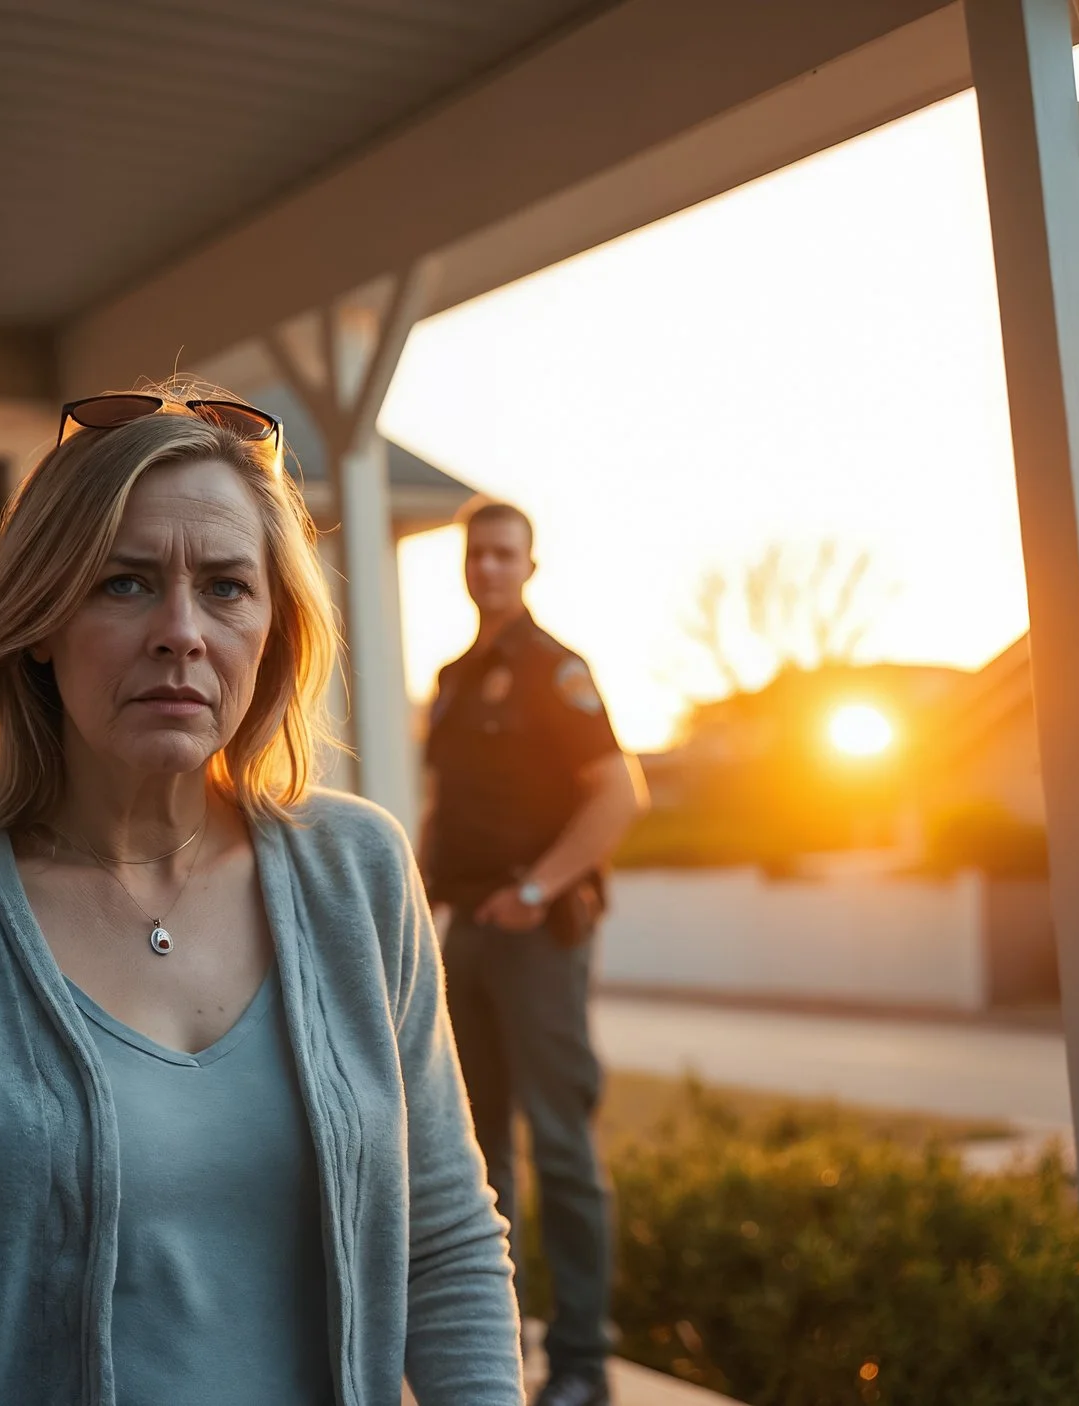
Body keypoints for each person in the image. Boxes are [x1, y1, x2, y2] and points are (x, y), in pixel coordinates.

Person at [0, 387, 523, 1406]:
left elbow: (448, 1241)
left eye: (225, 587)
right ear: (38, 619)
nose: (181, 631)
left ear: (273, 628)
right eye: (123, 582)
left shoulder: (359, 874)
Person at [417, 499, 648, 1406]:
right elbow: (445, 811)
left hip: (538, 938)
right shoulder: (453, 678)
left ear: (530, 566)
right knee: (474, 1156)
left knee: (561, 1150)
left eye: (505, 555)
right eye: (477, 555)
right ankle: (494, 1349)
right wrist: (422, 905)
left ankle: (584, 1363)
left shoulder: (558, 673)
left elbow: (618, 797)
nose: (489, 570)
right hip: (465, 933)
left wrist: (534, 889)